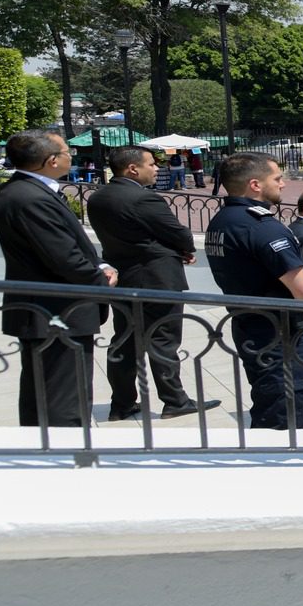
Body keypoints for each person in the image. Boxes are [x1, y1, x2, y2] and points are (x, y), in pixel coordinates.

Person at [0, 130, 118, 429]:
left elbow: (68, 246)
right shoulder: (28, 197)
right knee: (63, 400)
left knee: (46, 394)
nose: (70, 156)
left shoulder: (26, 191)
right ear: (50, 160)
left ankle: (45, 453)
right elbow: (62, 257)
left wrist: (100, 264)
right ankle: (64, 459)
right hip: (56, 311)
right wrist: (100, 281)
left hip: (49, 309)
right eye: (66, 152)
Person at [87, 144, 213, 420]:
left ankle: (121, 404)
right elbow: (179, 234)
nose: (157, 169)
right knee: (163, 340)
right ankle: (175, 401)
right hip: (157, 278)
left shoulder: (98, 198)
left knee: (123, 341)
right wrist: (181, 249)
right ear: (133, 168)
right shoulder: (144, 199)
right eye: (151, 164)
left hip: (123, 276)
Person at [205, 151, 303, 431]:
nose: (282, 184)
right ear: (255, 184)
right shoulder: (261, 226)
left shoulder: (223, 220)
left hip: (253, 325)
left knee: (278, 402)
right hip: (279, 333)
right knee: (287, 414)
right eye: (277, 178)